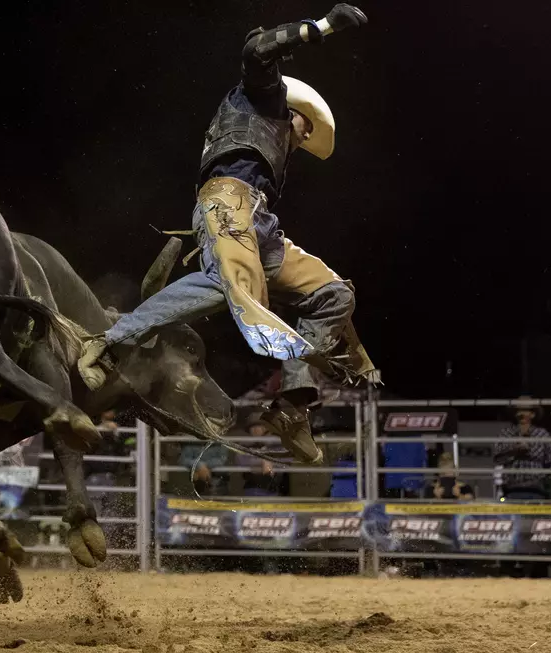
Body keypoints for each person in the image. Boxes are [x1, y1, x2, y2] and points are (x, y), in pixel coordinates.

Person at [78, 4, 378, 464]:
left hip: (256, 222)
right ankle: (113, 338)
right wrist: (322, 27)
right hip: (227, 205)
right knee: (234, 284)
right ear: (294, 109)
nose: (303, 136)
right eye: (305, 126)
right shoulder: (262, 96)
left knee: (334, 295)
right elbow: (257, 50)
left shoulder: (269, 133)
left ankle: (292, 404)